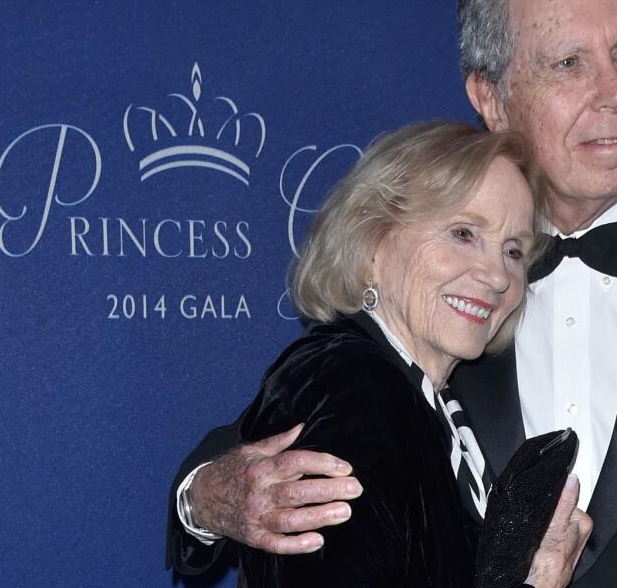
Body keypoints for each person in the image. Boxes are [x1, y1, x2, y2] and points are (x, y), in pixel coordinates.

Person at [169, 0, 617, 586]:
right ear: (492, 98)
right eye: (570, 63)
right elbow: (286, 435)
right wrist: (206, 493)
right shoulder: (435, 279)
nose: (616, 93)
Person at [206, 121, 591, 587]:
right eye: (463, 233)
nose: (496, 276)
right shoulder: (357, 385)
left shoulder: (422, 392)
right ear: (372, 242)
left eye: (513, 250)